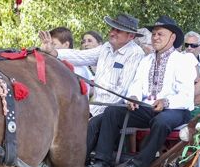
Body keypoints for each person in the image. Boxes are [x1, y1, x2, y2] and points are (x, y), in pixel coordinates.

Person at [88, 16, 197, 167]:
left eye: (160, 34)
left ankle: (139, 164)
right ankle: (102, 160)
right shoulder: (147, 60)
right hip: (148, 107)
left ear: (172, 38)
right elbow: (137, 85)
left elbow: (187, 95)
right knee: (112, 112)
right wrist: (132, 97)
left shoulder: (183, 60)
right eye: (154, 34)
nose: (155, 37)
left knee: (161, 121)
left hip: (176, 110)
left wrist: (166, 101)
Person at [39, 13, 146, 157]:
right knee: (66, 122)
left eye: (118, 30)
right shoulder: (106, 47)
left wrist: (93, 114)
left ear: (131, 36)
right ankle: (60, 163)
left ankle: (74, 165)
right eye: (112, 28)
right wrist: (53, 52)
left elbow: (122, 90)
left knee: (89, 127)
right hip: (95, 106)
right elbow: (80, 56)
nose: (112, 32)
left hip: (115, 109)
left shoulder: (135, 53)